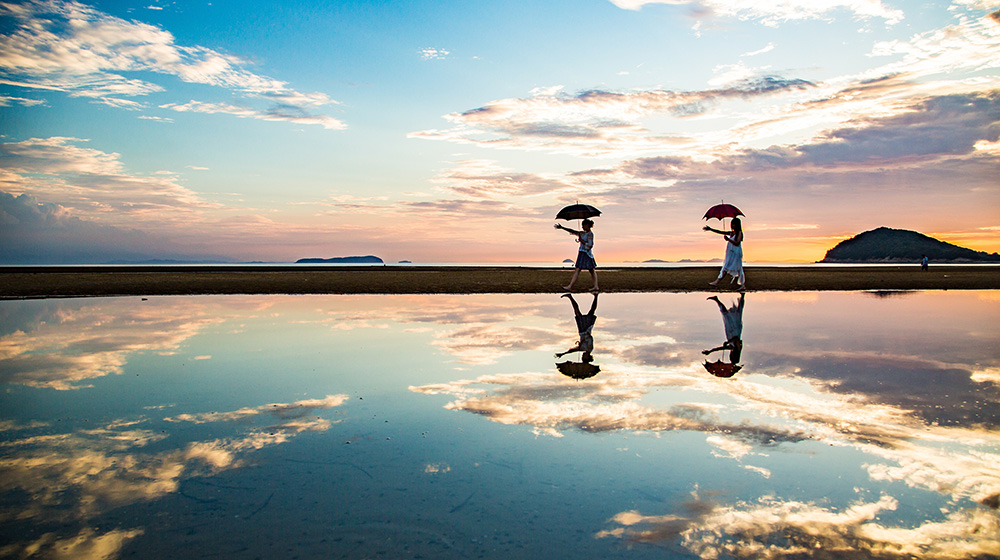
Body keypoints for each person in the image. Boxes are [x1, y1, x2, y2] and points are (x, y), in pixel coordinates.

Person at [702, 294, 744, 378]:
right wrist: (728, 342)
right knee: (736, 313)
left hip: (730, 332)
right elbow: (736, 339)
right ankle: (742, 296)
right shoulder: (736, 347)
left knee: (726, 315)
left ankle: (717, 300)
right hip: (734, 330)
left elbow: (720, 348)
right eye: (731, 356)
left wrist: (710, 351)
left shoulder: (732, 348)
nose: (730, 355)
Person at [555, 219, 599, 292]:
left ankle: (595, 286)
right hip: (581, 253)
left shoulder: (590, 234)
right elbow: (572, 231)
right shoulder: (582, 233)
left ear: (587, 225)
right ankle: (570, 286)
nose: (582, 227)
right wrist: (562, 227)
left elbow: (590, 245)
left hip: (586, 254)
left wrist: (582, 241)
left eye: (583, 225)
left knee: (590, 270)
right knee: (579, 269)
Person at [555, 292, 598, 364]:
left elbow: (572, 351)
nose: (582, 356)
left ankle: (570, 297)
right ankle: (596, 296)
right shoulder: (589, 348)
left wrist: (563, 354)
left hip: (581, 330)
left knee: (578, 313)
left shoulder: (582, 349)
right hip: (586, 329)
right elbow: (590, 338)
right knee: (591, 312)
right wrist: (584, 340)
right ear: (588, 357)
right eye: (583, 357)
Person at [703, 217, 744, 290]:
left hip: (736, 253)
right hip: (730, 253)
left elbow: (737, 243)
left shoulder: (739, 232)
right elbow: (720, 232)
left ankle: (742, 285)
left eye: (733, 224)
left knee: (738, 268)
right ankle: (717, 282)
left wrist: (728, 239)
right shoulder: (731, 233)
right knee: (726, 267)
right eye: (732, 224)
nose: (732, 225)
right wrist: (711, 229)